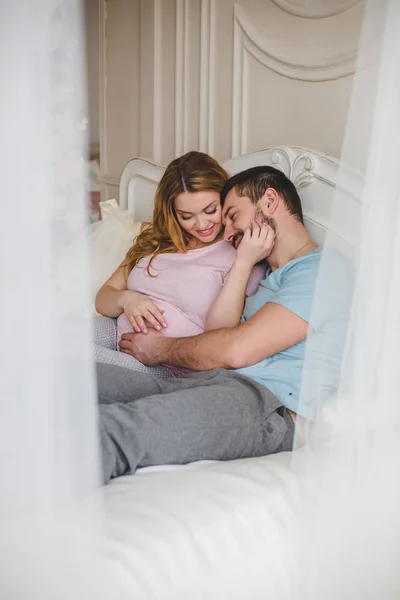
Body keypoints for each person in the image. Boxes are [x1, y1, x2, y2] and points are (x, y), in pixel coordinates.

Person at [98, 165, 348, 484]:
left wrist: (158, 349)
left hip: (268, 404)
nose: (225, 233)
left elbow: (235, 350)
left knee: (118, 428)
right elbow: (218, 334)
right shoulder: (266, 278)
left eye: (231, 214)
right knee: (65, 379)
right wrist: (244, 261)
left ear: (269, 200)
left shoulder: (325, 270)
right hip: (211, 381)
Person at [94, 151, 266, 376]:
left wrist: (244, 261)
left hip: (167, 367)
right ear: (172, 213)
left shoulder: (241, 252)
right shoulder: (157, 241)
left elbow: (224, 334)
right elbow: (102, 299)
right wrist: (127, 299)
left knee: (70, 367)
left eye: (211, 210)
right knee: (50, 340)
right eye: (187, 216)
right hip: (114, 332)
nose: (202, 224)